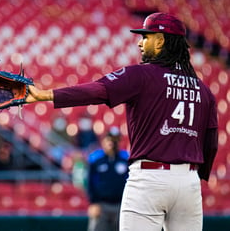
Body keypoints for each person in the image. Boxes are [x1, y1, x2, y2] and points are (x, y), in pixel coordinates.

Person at [25, 12, 218, 231]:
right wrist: (194, 178)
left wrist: (45, 95)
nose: (140, 42)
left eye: (146, 36)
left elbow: (97, 90)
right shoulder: (203, 90)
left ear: (161, 40)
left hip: (150, 178)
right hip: (188, 183)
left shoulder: (141, 75)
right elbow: (210, 144)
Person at [86, 127, 129, 231]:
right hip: (102, 205)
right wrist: (93, 202)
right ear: (103, 141)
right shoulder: (96, 159)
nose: (111, 143)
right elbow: (90, 182)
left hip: (121, 205)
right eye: (109, 139)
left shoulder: (125, 159)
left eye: (114, 140)